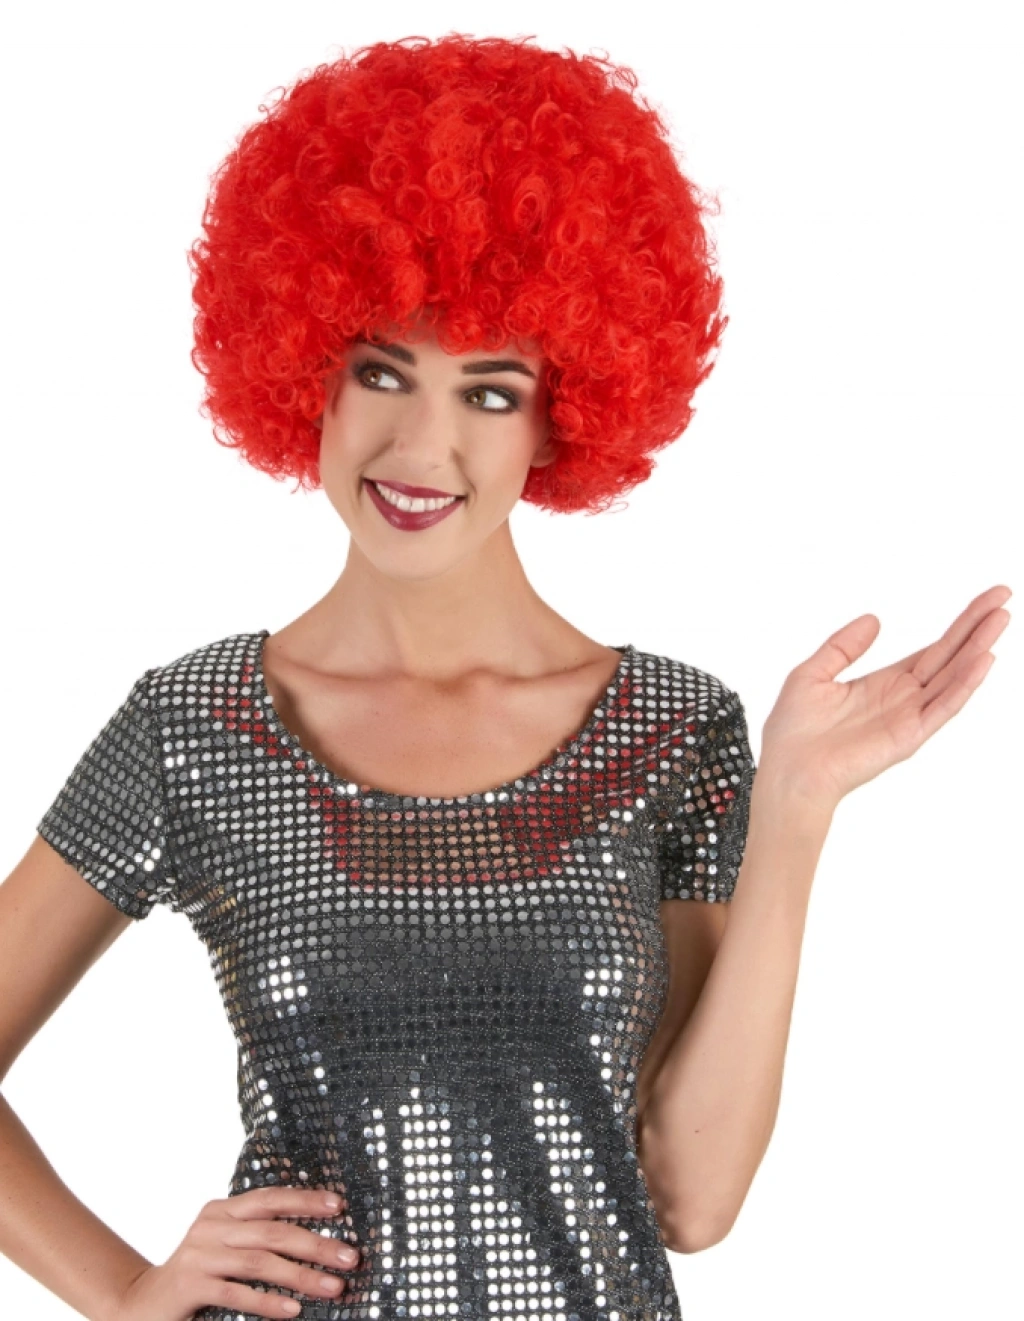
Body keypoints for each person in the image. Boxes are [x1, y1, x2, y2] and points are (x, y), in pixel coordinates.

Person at [0, 32, 1010, 1321]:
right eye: (381, 371)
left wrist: (797, 810)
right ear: (305, 373)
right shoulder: (196, 727)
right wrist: (128, 1293)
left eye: (490, 392)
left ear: (562, 416)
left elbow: (692, 1198)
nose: (421, 445)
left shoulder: (671, 732)